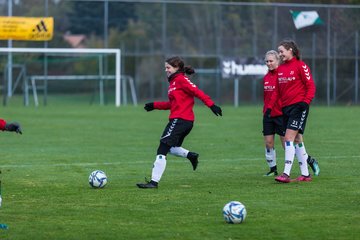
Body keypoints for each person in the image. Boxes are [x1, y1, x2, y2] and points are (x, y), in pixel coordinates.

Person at [136, 56, 222, 189]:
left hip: (180, 120)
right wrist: (154, 105)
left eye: (168, 68)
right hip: (183, 121)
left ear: (176, 68)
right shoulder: (174, 83)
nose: (166, 70)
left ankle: (153, 182)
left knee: (162, 148)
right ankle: (191, 155)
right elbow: (172, 104)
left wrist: (211, 105)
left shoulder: (181, 80)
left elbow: (197, 92)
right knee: (170, 148)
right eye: (165, 68)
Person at [265, 39, 319, 183]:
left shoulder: (301, 66)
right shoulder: (281, 69)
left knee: (288, 138)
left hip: (299, 107)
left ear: (290, 50)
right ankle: (306, 175)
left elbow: (311, 86)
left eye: (281, 51)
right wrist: (270, 108)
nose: (280, 54)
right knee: (297, 139)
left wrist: (305, 103)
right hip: (286, 109)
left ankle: (286, 174)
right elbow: (276, 91)